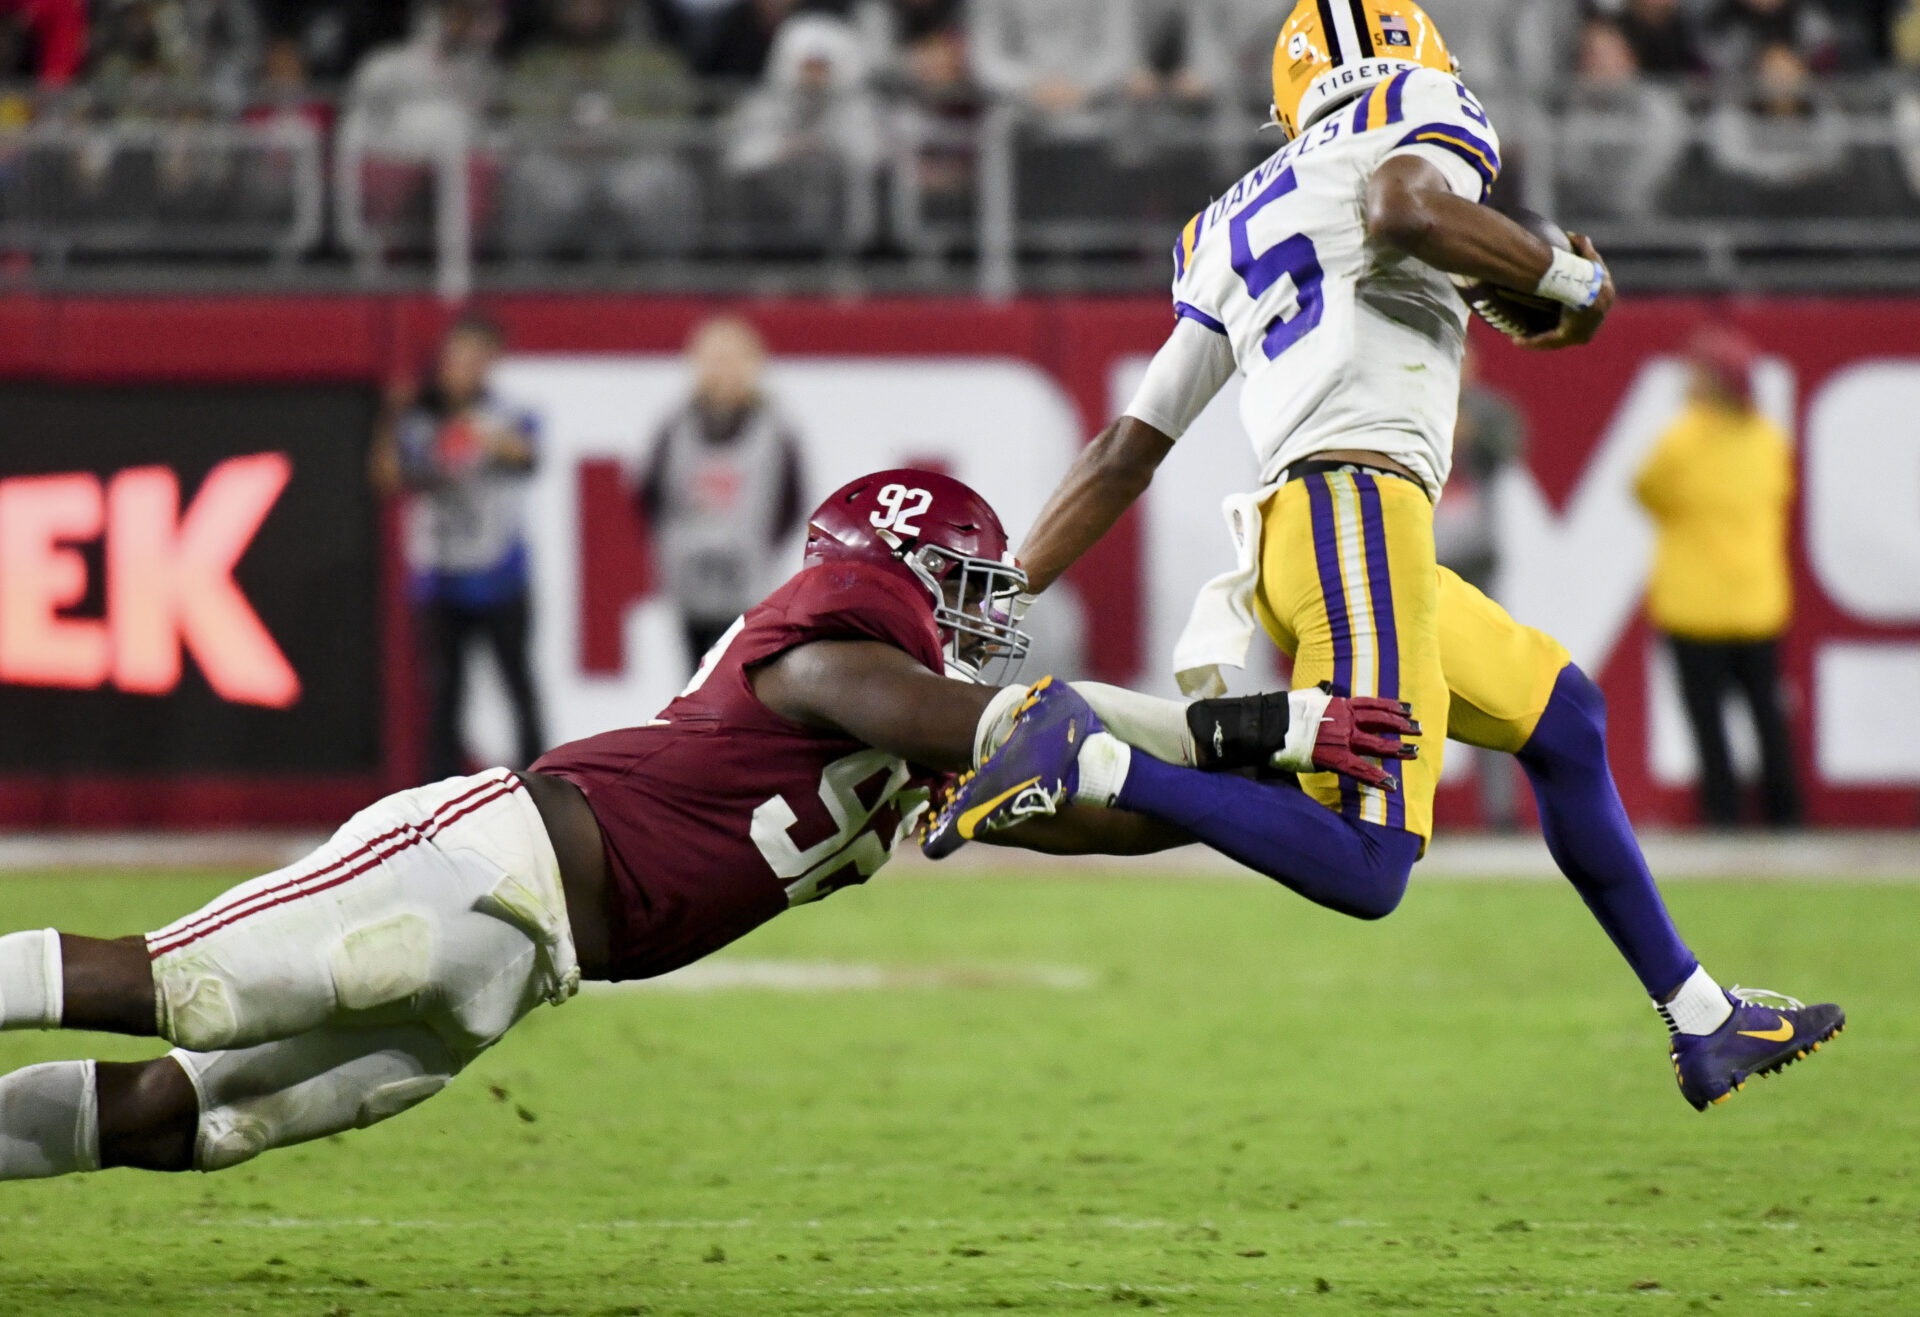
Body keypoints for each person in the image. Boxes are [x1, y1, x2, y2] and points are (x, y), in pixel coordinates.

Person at [932, 0, 1841, 1112]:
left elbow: (1129, 446)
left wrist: (1011, 584)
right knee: (1369, 867)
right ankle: (1093, 756)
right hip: (1353, 510)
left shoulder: (1231, 215)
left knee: (1565, 719)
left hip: (1317, 529)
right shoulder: (1418, 109)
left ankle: (1701, 1018)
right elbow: (1406, 206)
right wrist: (1570, 284)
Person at [0, 469, 1408, 1180]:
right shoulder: (830, 647)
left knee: (197, 1120)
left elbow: (1092, 802)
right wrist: (1262, 727)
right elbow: (1001, 727)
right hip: (479, 865)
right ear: (897, 571)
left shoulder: (908, 721)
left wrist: (1243, 807)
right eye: (964, 580)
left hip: (518, 973)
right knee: (172, 983)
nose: (987, 610)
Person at [1634, 325, 1802, 828]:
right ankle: (1786, 815)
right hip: (1756, 600)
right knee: (1766, 715)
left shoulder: (1682, 439)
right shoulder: (1768, 441)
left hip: (1693, 603)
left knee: (1708, 720)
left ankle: (1723, 816)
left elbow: (1646, 491)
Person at [373, 312, 547, 781]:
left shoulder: (505, 414)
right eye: (458, 357)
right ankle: (439, 799)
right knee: (444, 695)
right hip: (439, 575)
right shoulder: (417, 418)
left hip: (499, 573)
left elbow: (529, 454)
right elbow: (387, 478)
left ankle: (541, 787)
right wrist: (395, 419)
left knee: (519, 686)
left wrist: (481, 433)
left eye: (478, 358)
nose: (466, 368)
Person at [636, 316, 807, 672]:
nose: (723, 370)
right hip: (688, 579)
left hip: (749, 580)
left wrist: (760, 548)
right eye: (714, 359)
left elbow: (791, 501)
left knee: (744, 675)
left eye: (734, 359)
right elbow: (650, 496)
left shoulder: (774, 432)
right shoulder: (676, 427)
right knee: (694, 676)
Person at [1434, 342, 1525, 830]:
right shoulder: (1412, 399)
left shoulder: (1487, 410)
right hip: (1423, 561)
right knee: (1415, 689)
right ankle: (1415, 804)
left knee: (1491, 687)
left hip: (1477, 560)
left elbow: (1512, 448)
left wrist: (1475, 437)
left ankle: (1500, 808)